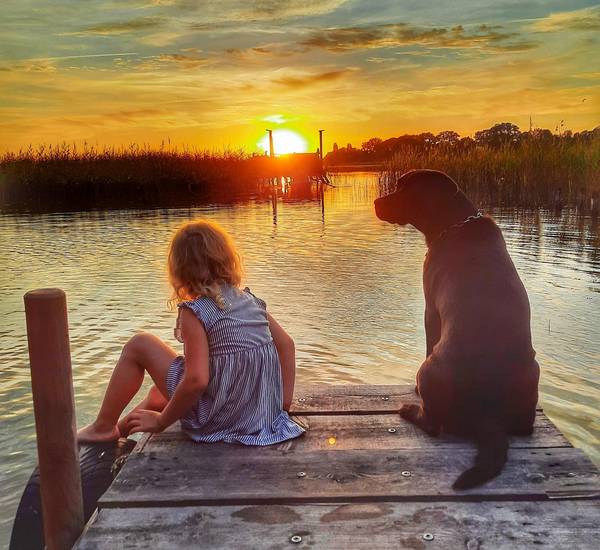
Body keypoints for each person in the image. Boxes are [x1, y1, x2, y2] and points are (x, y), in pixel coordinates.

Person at [78, 219, 304, 445]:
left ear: (179, 270)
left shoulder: (196, 311)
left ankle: (103, 427)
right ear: (227, 259)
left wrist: (161, 423)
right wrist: (280, 405)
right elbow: (286, 346)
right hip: (259, 418)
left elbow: (196, 380)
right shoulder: (251, 301)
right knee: (158, 394)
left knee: (140, 343)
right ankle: (121, 431)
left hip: (218, 421)